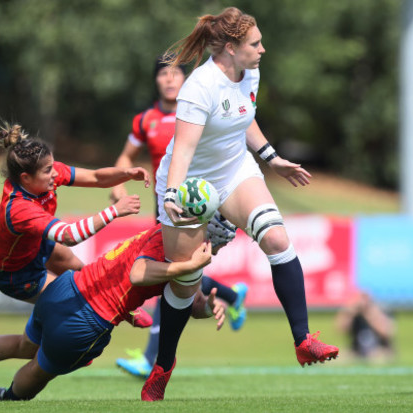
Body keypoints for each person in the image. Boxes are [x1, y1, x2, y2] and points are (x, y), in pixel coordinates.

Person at [143, 6, 339, 401]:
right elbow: (181, 152)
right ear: (231, 48)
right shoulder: (199, 87)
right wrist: (171, 196)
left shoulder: (249, 71)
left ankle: (303, 341)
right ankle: (163, 366)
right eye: (255, 43)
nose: (263, 49)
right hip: (188, 185)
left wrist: (272, 158)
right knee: (184, 286)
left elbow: (243, 116)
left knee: (279, 242)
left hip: (235, 170)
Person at [0, 214, 232, 402]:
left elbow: (182, 296)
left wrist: (205, 305)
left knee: (22, 344)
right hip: (86, 322)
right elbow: (144, 276)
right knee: (39, 369)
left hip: (65, 289)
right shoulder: (185, 262)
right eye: (215, 247)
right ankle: (7, 398)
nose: (213, 254)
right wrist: (195, 288)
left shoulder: (161, 230)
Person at [111, 56, 249, 378]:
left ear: (187, 80)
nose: (170, 79)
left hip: (199, 205)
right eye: (163, 74)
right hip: (165, 206)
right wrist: (118, 185)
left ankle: (152, 360)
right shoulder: (145, 120)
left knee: (172, 275)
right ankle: (231, 295)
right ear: (156, 80)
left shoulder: (199, 109)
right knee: (176, 272)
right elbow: (125, 157)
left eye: (177, 74)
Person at [0, 121, 149, 306]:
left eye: (53, 166)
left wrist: (126, 173)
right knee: (74, 304)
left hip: (34, 244)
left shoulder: (43, 175)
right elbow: (69, 235)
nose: (55, 173)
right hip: (14, 273)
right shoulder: (19, 208)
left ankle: (124, 310)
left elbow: (96, 177)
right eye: (48, 170)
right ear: (26, 178)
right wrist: (115, 211)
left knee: (85, 277)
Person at [335, 291, 395, 363]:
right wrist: (350, 312)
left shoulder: (381, 310)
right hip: (357, 350)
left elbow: (386, 333)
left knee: (377, 360)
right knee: (335, 358)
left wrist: (369, 313)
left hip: (379, 349)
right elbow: (341, 329)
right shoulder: (355, 314)